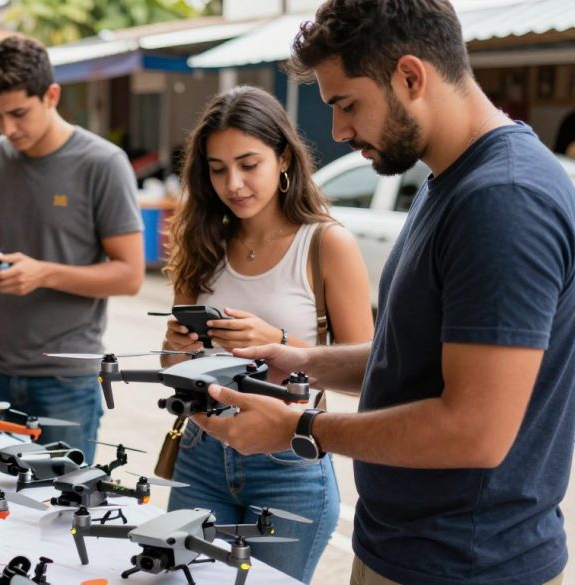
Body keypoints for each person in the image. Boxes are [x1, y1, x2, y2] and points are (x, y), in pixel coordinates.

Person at [192, 2, 575, 584]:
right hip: (406, 548)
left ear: (411, 76)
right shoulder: (449, 180)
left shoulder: (503, 199)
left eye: (347, 105)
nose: (340, 131)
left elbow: (474, 430)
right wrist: (302, 362)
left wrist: (299, 429)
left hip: (466, 566)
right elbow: (418, 357)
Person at [160, 86, 373, 583]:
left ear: (283, 159)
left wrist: (277, 338)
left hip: (289, 464)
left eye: (248, 163)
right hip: (200, 452)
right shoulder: (202, 238)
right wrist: (175, 348)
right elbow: (176, 369)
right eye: (217, 168)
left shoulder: (325, 243)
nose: (233, 183)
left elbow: (367, 373)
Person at [0, 36, 145, 461]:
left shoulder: (103, 163)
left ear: (51, 95)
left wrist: (44, 273)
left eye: (19, 113)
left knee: (64, 511)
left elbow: (129, 275)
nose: (8, 128)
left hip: (66, 378)